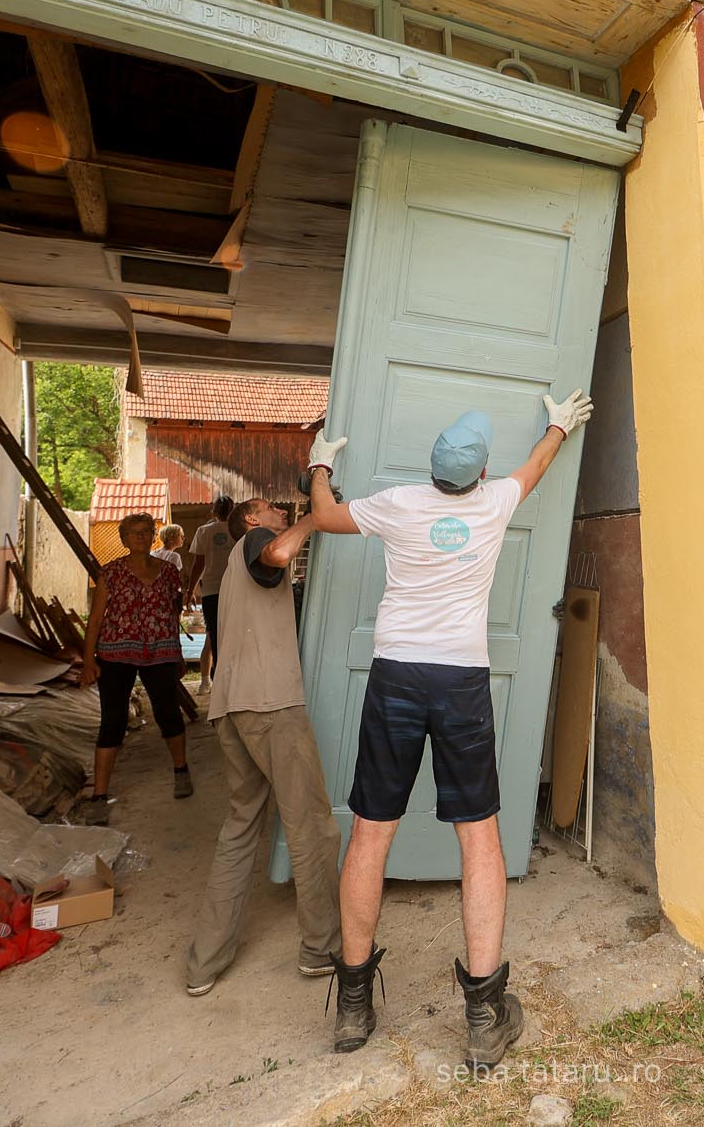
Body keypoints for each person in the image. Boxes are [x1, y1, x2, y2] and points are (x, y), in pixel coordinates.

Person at [302, 390, 592, 1069]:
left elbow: (321, 515)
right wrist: (559, 421)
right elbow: (539, 463)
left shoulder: (397, 504)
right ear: (480, 474)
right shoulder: (494, 504)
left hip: (396, 677)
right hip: (460, 682)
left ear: (433, 469)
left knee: (371, 831)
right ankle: (485, 1016)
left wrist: (319, 465)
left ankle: (351, 1005)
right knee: (479, 836)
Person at [184, 497, 342, 997]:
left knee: (241, 825)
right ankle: (322, 948)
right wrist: (319, 512)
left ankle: (202, 964)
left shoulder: (232, 569)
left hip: (232, 708)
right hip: (270, 706)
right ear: (251, 520)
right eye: (272, 508)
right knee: (312, 826)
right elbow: (276, 553)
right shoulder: (252, 541)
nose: (280, 510)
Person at [77, 512, 193, 825]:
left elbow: (172, 616)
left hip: (160, 651)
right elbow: (96, 620)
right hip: (115, 654)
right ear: (124, 540)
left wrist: (178, 654)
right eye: (133, 533)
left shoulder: (169, 572)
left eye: (145, 531)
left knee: (168, 713)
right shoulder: (111, 572)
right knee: (112, 721)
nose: (140, 537)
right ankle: (100, 795)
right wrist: (89, 662)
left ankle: (181, 770)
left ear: (154, 535)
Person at [184, 497, 237, 679]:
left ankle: (218, 677)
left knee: (214, 635)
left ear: (213, 511)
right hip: (236, 590)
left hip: (211, 591)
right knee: (236, 633)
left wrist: (190, 591)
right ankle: (232, 677)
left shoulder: (204, 531)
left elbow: (198, 564)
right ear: (233, 510)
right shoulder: (238, 530)